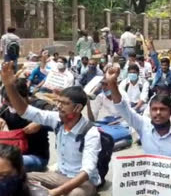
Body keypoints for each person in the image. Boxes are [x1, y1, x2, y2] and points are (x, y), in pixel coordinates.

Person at [1, 62, 101, 196]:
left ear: (77, 108)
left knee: (76, 194)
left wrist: (56, 192)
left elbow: (86, 172)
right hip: (59, 176)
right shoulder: (56, 119)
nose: (59, 106)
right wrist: (9, 86)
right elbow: (25, 111)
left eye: (65, 103)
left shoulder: (90, 132)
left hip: (82, 181)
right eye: (59, 102)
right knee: (20, 179)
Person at [106, 66, 171, 196]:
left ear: (170, 112)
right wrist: (112, 84)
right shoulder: (143, 125)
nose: (158, 113)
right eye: (154, 109)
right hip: (146, 187)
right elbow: (123, 108)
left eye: (162, 109)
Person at [0, 78, 50, 172]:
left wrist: (40, 123)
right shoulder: (6, 108)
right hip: (10, 153)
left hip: (35, 156)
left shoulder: (40, 106)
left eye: (10, 101)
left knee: (5, 165)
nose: (7, 103)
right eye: (5, 100)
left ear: (22, 97)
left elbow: (60, 120)